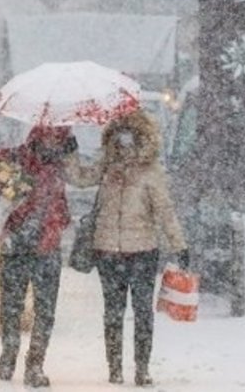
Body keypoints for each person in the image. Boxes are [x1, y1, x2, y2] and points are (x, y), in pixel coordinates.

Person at [89, 110, 188, 387]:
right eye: (119, 139)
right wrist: (70, 155)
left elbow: (165, 211)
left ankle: (142, 368)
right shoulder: (105, 167)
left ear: (140, 139)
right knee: (113, 312)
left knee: (143, 312)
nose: (124, 145)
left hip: (143, 251)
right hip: (107, 250)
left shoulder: (151, 172)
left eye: (130, 138)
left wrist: (179, 244)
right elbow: (81, 177)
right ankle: (115, 368)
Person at [0, 124, 78, 388]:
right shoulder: (14, 160)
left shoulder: (61, 166)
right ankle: (10, 351)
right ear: (37, 137)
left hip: (47, 247)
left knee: (45, 311)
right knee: (11, 307)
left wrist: (74, 156)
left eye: (60, 139)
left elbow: (75, 187)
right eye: (52, 137)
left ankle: (35, 364)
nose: (54, 143)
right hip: (15, 246)